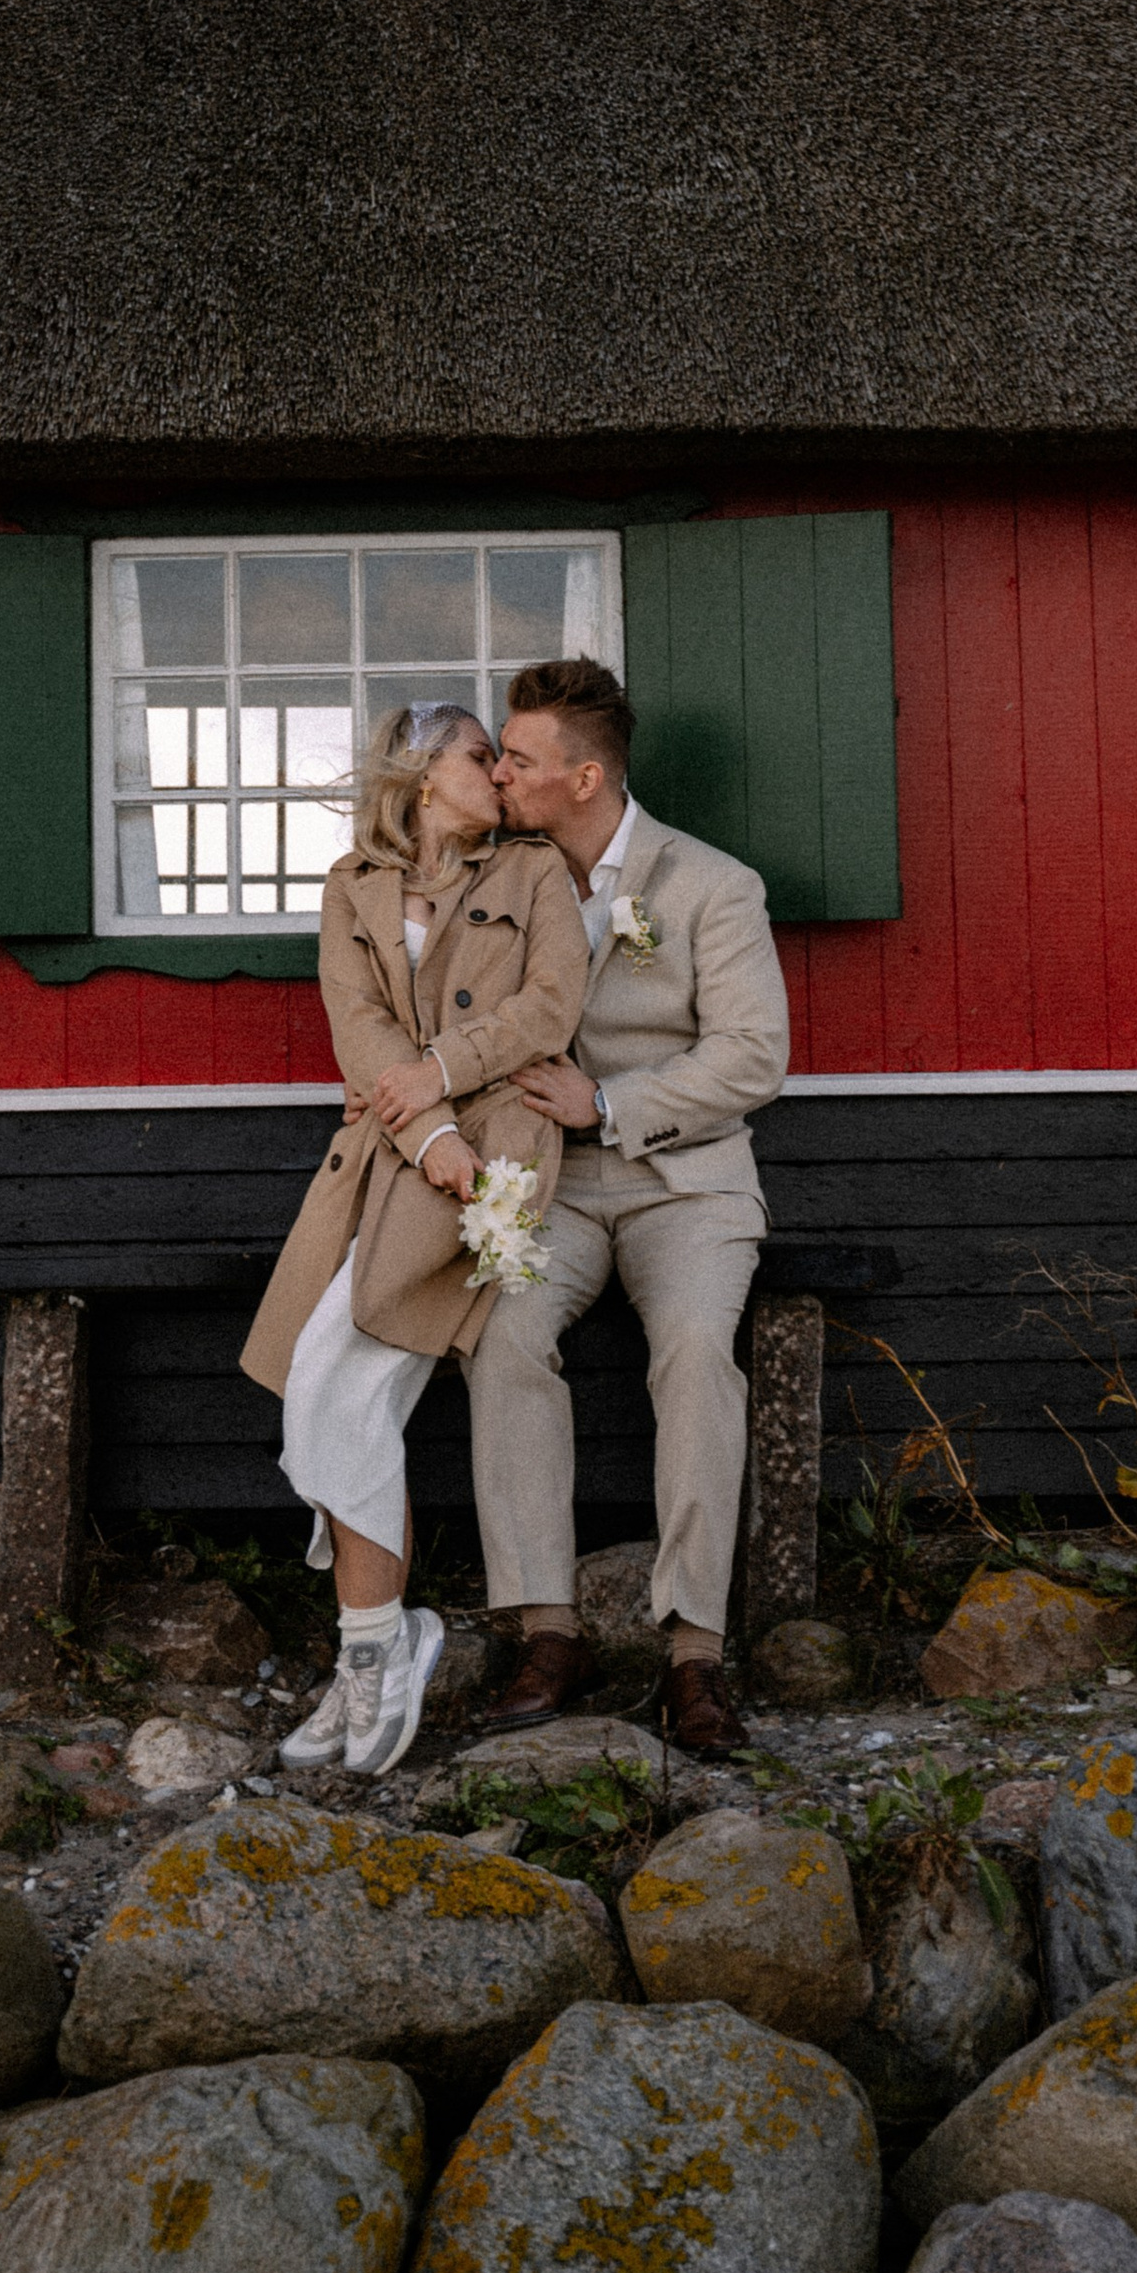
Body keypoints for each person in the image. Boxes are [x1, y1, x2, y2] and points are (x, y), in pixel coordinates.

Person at [240, 699, 588, 1778]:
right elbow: (359, 1025)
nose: (501, 772)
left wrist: (441, 1084)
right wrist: (424, 1124)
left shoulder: (534, 870)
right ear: (424, 772)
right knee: (326, 1390)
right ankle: (380, 1646)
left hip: (491, 1160)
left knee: (339, 1383)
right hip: (394, 1154)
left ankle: (374, 1654)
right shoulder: (353, 884)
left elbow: (550, 1005)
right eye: (482, 755)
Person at [465, 654, 789, 1760]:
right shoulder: (499, 879)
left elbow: (753, 1056)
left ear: (586, 777)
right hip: (548, 1186)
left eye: (519, 757)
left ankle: (695, 1650)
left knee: (695, 1352)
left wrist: (609, 1102)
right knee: (502, 1337)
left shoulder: (711, 884)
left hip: (685, 1182)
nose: (498, 773)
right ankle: (546, 1630)